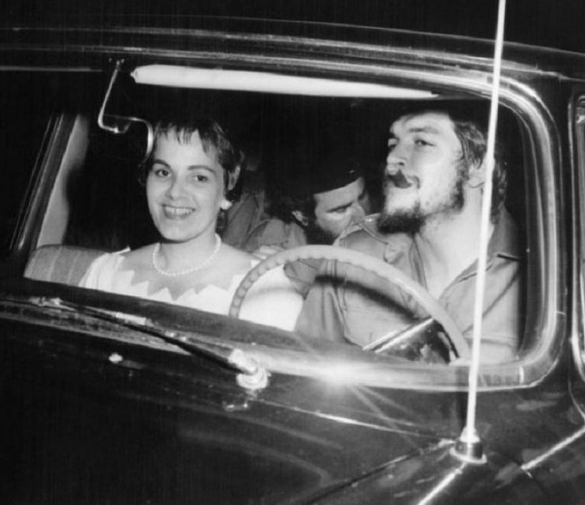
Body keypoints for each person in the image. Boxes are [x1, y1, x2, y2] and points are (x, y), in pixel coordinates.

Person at [295, 108, 523, 364]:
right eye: (393, 144)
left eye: (421, 143)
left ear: (477, 167)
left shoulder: (543, 280)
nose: (392, 160)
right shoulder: (352, 257)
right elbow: (305, 374)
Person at [80, 117, 302, 330]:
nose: (175, 192)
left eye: (199, 178)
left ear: (226, 190)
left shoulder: (264, 288)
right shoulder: (105, 275)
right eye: (163, 172)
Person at [242, 150, 372, 252]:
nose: (362, 216)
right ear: (303, 216)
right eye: (341, 210)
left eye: (362, 198)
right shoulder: (271, 243)